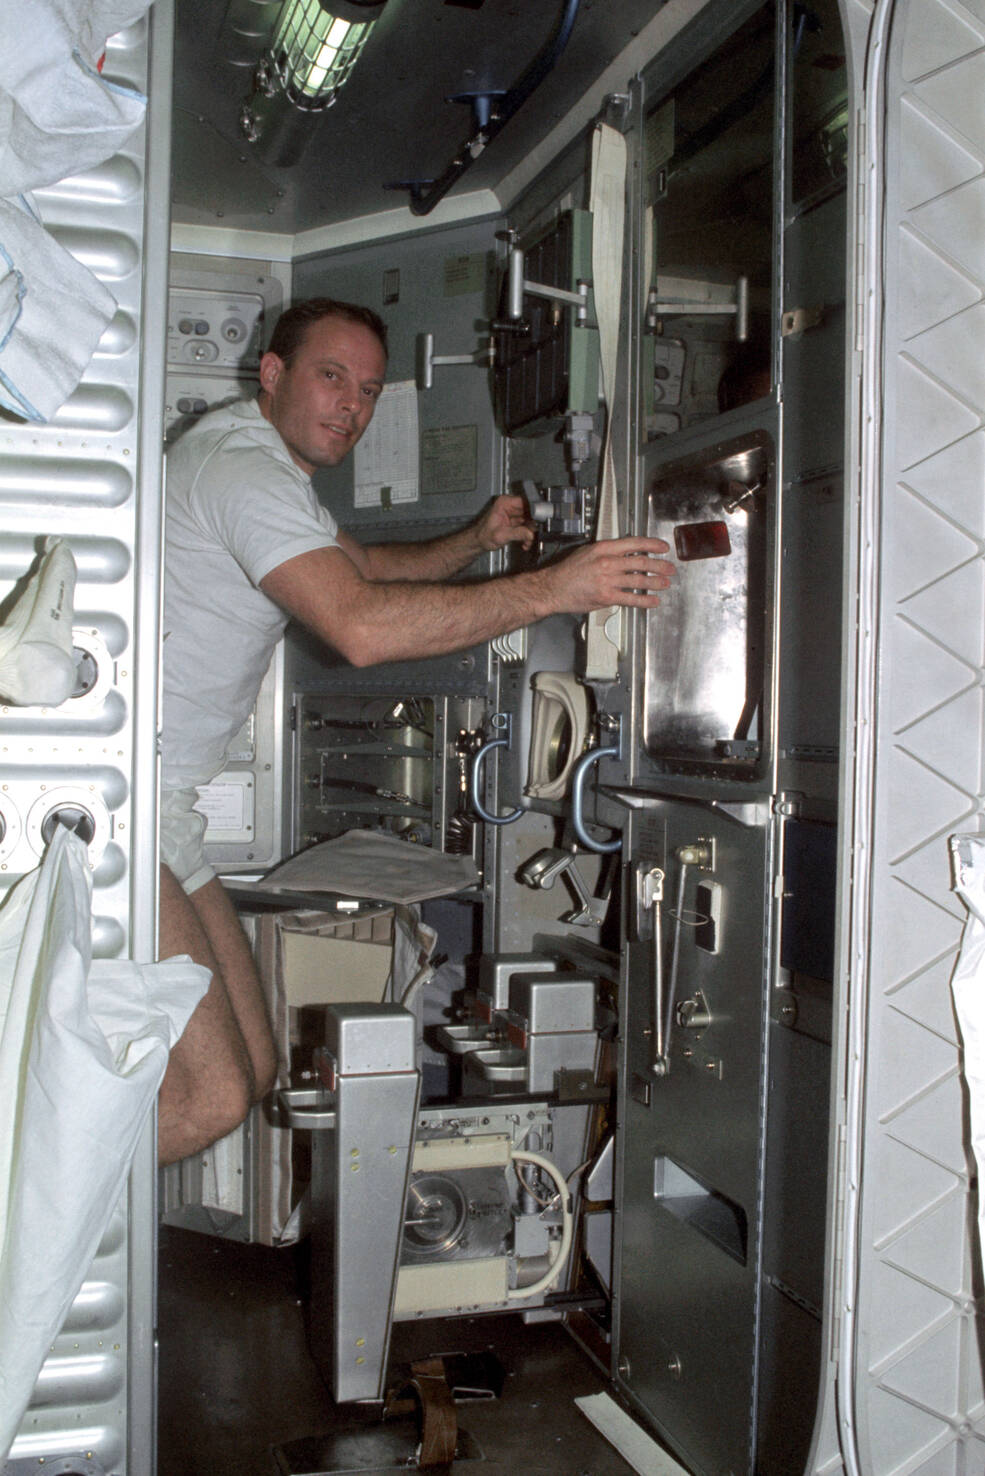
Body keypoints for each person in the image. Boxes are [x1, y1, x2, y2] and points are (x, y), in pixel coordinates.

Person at [157, 296, 674, 1164]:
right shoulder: (239, 467)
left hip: (166, 813)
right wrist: (555, 591)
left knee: (251, 1071)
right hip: (123, 809)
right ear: (272, 374)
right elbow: (357, 624)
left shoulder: (264, 469)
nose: (351, 408)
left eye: (365, 390)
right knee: (209, 1100)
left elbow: (361, 566)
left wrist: (475, 540)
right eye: (331, 378)